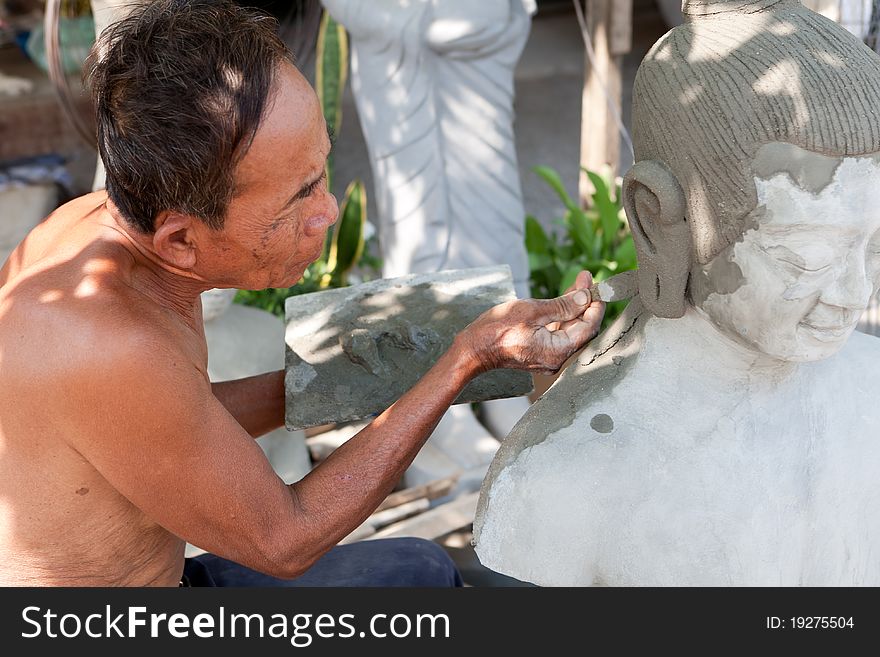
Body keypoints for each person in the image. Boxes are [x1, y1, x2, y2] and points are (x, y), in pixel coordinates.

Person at [0, 0, 604, 586]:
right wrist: (462, 361)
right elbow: (286, 540)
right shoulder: (106, 340)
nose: (330, 212)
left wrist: (404, 366)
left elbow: (171, 419)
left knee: (424, 568)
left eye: (320, 174)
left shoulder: (113, 233)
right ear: (182, 240)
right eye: (299, 198)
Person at [474, 0, 880, 586]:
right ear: (658, 218)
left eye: (874, 248)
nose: (857, 292)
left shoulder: (871, 391)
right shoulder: (566, 480)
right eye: (806, 256)